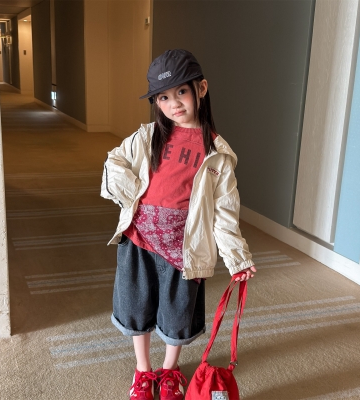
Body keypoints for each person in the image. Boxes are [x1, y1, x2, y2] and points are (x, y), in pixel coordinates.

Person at [101, 49, 256, 400]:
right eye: (163, 97)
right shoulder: (147, 136)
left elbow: (224, 212)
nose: (173, 104)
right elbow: (114, 162)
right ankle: (143, 370)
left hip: (184, 249)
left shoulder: (217, 153)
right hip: (139, 240)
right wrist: (132, 193)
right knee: (136, 305)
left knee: (177, 313)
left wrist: (237, 258)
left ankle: (169, 371)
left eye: (181, 92)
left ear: (201, 88)